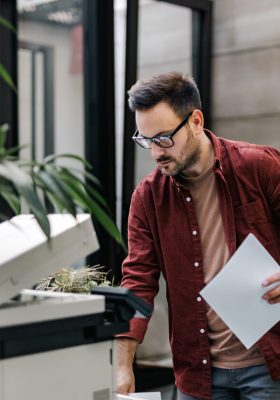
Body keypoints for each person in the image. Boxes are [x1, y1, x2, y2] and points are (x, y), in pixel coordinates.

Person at [117, 72, 280, 400]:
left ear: (195, 120)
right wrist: (122, 366)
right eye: (145, 140)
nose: (155, 153)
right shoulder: (148, 197)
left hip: (270, 363)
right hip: (198, 374)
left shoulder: (258, 166)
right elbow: (138, 282)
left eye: (163, 138)